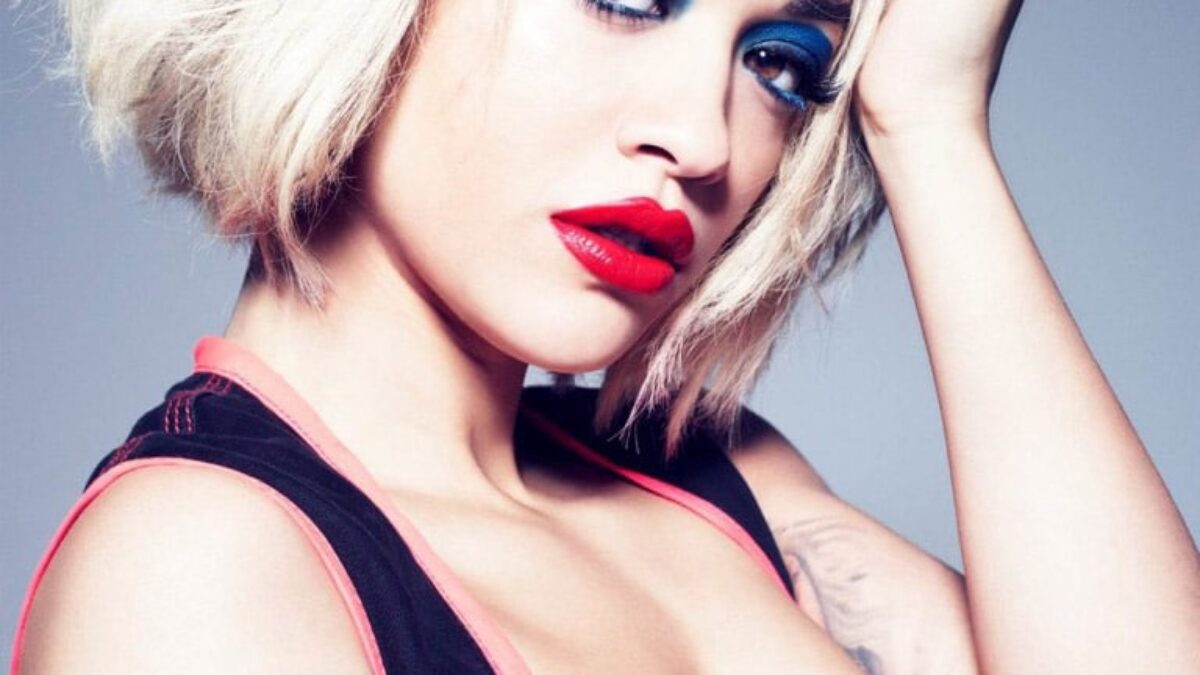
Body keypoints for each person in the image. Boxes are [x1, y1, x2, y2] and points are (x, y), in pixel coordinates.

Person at [10, 0, 1199, 672]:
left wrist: (928, 121)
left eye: (781, 62)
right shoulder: (192, 570)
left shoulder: (719, 479)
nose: (704, 137)